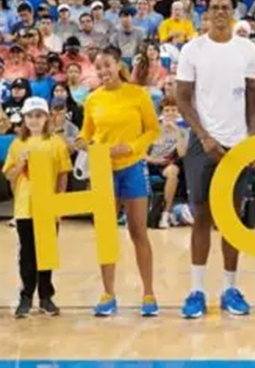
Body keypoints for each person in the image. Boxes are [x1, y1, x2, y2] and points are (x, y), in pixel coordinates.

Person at [175, 0, 255, 319]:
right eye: (214, 7)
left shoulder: (247, 50)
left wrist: (253, 139)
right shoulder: (192, 50)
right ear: (206, 13)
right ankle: (196, 291)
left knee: (232, 219)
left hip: (238, 143)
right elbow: (183, 98)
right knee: (201, 216)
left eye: (226, 7)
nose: (220, 12)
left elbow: (254, 99)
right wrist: (204, 136)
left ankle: (230, 288)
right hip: (202, 143)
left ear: (234, 13)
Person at [76, 46, 161, 317]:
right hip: (102, 171)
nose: (103, 71)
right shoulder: (92, 100)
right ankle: (108, 293)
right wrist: (81, 143)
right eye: (98, 68)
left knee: (138, 231)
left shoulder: (138, 94)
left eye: (107, 65)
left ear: (119, 66)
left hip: (133, 167)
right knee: (106, 234)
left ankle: (148, 293)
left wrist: (132, 147)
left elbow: (153, 131)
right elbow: (86, 133)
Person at [2, 97, 71, 318]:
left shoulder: (56, 143)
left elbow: (62, 174)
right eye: (30, 116)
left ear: (46, 118)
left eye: (39, 116)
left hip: (48, 206)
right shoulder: (17, 144)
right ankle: (26, 295)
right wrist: (21, 164)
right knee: (28, 253)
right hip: (25, 207)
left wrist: (59, 202)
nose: (34, 120)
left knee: (46, 252)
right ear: (24, 119)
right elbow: (10, 175)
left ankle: (46, 296)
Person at [147, 96, 189, 229]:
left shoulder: (183, 131)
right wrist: (153, 160)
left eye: (173, 110)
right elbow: (141, 154)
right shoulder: (154, 130)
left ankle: (166, 212)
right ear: (162, 113)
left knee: (173, 171)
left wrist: (177, 132)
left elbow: (182, 153)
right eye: (167, 110)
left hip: (170, 165)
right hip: (151, 163)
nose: (170, 113)